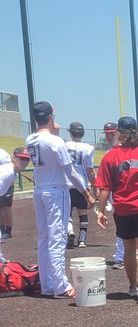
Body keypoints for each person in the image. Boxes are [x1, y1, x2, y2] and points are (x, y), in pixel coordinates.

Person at [95, 116, 138, 303]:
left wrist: (100, 211)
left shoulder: (110, 157)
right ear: (137, 133)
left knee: (129, 247)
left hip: (123, 208)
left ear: (119, 133)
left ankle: (132, 286)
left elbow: (105, 188)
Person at [25, 101, 78, 299]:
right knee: (57, 239)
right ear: (51, 117)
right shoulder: (56, 142)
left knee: (45, 238)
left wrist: (54, 133)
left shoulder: (30, 138)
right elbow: (68, 169)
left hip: (40, 190)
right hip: (56, 191)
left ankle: (47, 283)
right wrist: (86, 191)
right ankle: (61, 286)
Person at [64, 121, 96, 248]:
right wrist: (94, 186)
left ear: (71, 133)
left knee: (67, 213)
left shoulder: (64, 145)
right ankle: (82, 240)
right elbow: (90, 170)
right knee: (83, 213)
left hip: (66, 184)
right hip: (82, 185)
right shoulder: (88, 148)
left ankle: (70, 231)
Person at [101, 122, 125, 269]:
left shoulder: (125, 151)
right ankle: (123, 255)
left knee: (125, 225)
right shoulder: (108, 154)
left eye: (112, 133)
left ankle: (123, 256)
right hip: (115, 195)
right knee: (121, 225)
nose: (109, 136)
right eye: (107, 133)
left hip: (125, 195)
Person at [0, 148, 31, 261]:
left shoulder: (13, 173)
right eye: (21, 158)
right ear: (13, 158)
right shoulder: (7, 173)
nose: (25, 162)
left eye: (27, 159)